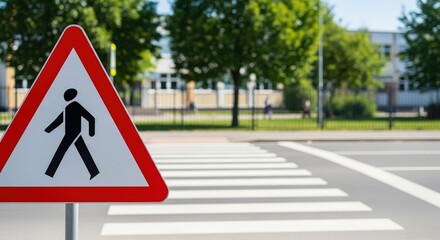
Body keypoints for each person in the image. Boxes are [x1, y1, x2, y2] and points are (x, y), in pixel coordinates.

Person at [44, 88, 99, 180]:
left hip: (73, 134)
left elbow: (91, 118)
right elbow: (59, 120)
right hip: (72, 133)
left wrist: (91, 133)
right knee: (83, 152)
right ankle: (94, 172)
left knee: (60, 152)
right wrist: (47, 130)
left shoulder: (76, 106)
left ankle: (49, 173)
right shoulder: (68, 107)